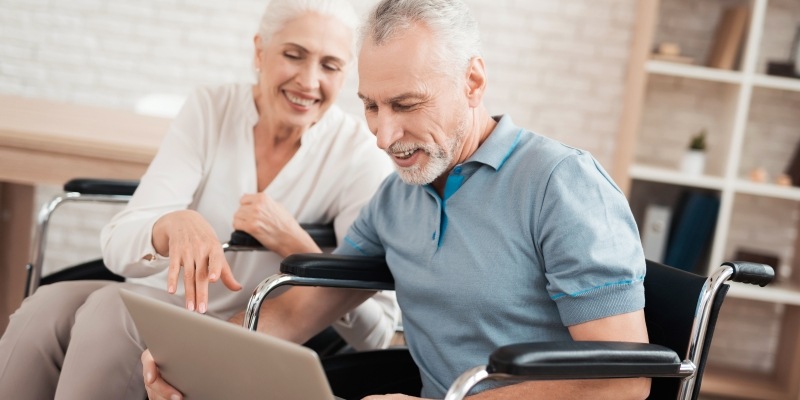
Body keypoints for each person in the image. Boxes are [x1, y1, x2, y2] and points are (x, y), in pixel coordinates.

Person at [143, 0, 651, 399]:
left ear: (473, 82)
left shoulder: (561, 184)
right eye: (371, 107)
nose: (384, 137)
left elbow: (622, 380)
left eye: (406, 105)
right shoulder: (397, 197)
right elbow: (298, 311)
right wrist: (193, 365)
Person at [0, 1, 401, 399]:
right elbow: (118, 245)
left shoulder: (359, 156)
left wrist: (296, 245)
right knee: (45, 306)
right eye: (293, 55)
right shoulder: (212, 108)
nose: (309, 81)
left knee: (111, 309)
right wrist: (171, 223)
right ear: (260, 51)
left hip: (247, 323)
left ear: (346, 73)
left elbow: (376, 331)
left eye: (330, 66)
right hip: (156, 297)